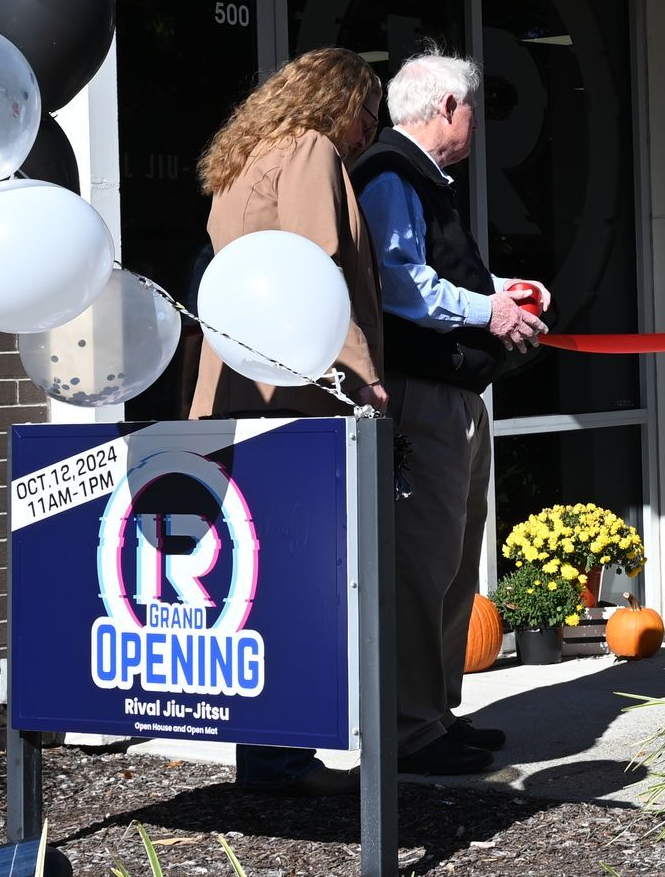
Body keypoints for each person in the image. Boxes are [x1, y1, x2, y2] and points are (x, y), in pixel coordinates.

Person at [190, 46, 387, 796]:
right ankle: (283, 760)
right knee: (305, 576)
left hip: (237, 386)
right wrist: (366, 379)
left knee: (255, 577)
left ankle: (266, 757)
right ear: (339, 100)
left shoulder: (245, 159)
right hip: (299, 391)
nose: (370, 131)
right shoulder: (309, 149)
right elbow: (317, 269)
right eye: (368, 111)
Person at [352, 49, 552, 777]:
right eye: (474, 108)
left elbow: (439, 275)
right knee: (423, 566)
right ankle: (410, 730)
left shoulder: (420, 179)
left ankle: (435, 714)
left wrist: (508, 290)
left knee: (454, 563)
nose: (476, 123)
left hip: (453, 395)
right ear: (445, 108)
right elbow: (402, 286)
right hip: (423, 396)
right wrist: (490, 310)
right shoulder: (390, 174)